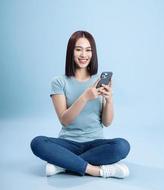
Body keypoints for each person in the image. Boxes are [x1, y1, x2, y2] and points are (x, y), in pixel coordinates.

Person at [30, 30, 130, 178]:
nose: (84, 55)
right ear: (71, 52)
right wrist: (85, 97)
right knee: (37, 143)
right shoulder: (59, 82)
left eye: (88, 50)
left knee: (122, 146)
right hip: (67, 144)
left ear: (93, 53)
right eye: (79, 49)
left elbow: (107, 123)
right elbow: (64, 120)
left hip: (95, 143)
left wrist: (109, 99)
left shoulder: (99, 81)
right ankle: (97, 170)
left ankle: (62, 164)